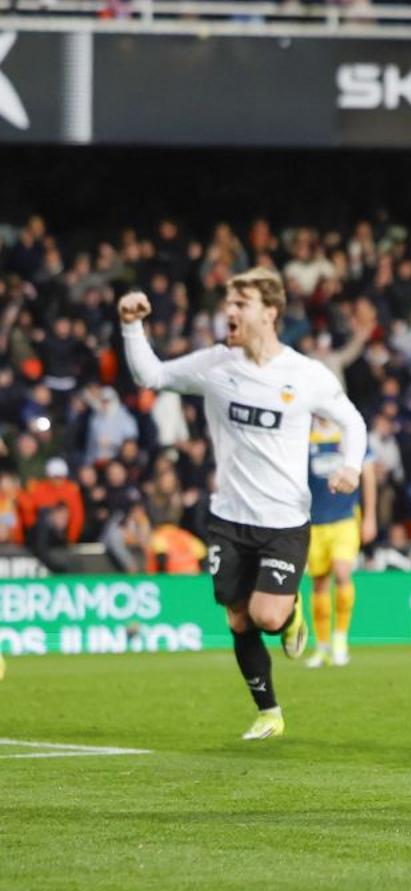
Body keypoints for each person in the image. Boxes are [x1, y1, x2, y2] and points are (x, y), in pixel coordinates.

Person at [119, 267, 367, 741]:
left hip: (284, 519)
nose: (229, 312)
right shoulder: (216, 364)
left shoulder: (304, 373)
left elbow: (351, 421)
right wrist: (132, 326)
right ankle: (269, 711)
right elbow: (149, 375)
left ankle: (292, 613)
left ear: (269, 313)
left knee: (267, 616)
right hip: (229, 518)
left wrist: (351, 466)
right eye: (228, 303)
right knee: (237, 617)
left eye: (241, 304)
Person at [304, 415, 378, 669]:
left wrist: (370, 516)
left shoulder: (349, 433)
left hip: (345, 518)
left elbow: (368, 474)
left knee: (342, 572)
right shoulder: (304, 434)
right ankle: (322, 646)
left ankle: (340, 640)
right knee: (319, 583)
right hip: (315, 521)